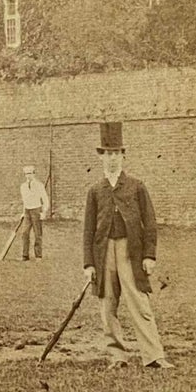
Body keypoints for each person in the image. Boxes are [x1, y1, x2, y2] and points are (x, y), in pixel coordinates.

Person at [82, 122, 170, 369]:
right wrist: (89, 263)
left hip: (131, 252)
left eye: (116, 154)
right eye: (107, 154)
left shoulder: (136, 186)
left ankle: (153, 355)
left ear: (123, 156)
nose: (111, 159)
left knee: (139, 301)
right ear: (102, 157)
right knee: (107, 304)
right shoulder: (95, 191)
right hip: (103, 253)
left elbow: (150, 223)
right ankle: (117, 356)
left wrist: (149, 255)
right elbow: (88, 230)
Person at [18, 164, 50, 261]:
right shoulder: (23, 186)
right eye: (26, 174)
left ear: (34, 174)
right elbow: (25, 200)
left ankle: (38, 256)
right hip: (27, 211)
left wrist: (44, 212)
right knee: (24, 233)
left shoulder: (39, 185)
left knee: (37, 234)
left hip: (37, 210)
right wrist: (23, 212)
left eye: (30, 173)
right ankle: (25, 255)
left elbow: (45, 200)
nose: (28, 176)